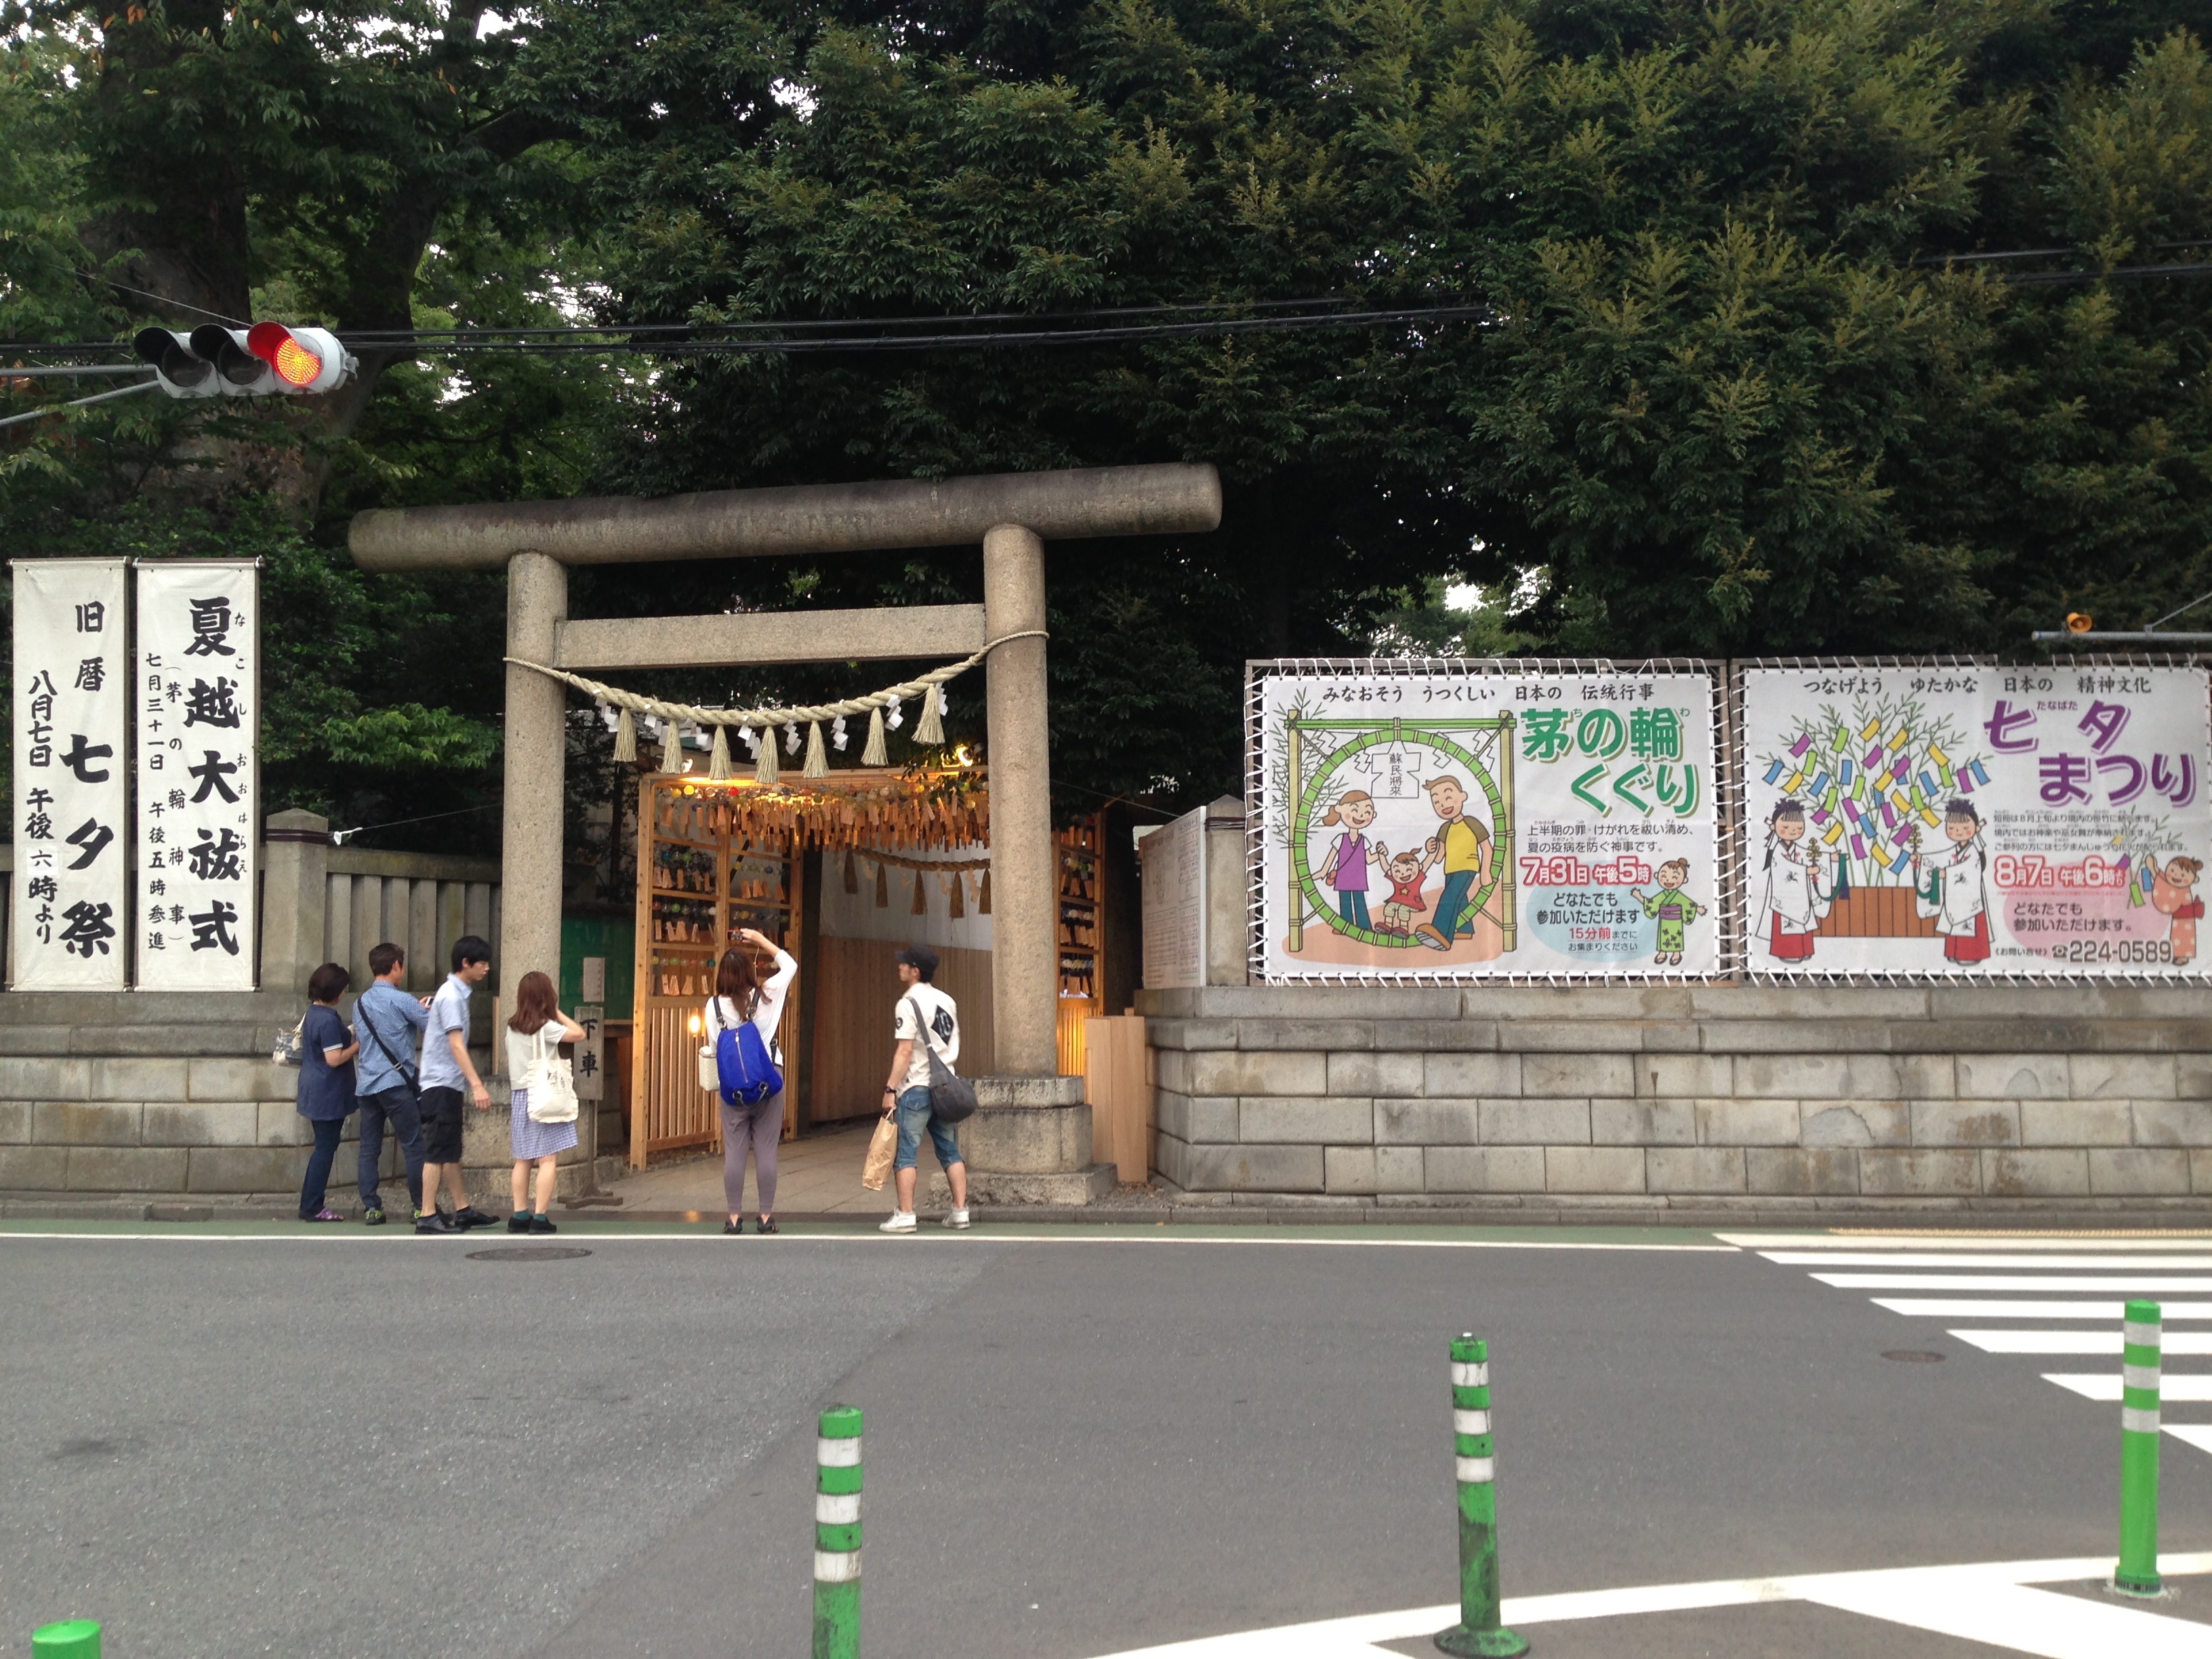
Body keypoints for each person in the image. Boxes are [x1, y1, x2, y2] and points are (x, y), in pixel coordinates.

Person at [705, 927, 798, 1235]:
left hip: (733, 1088)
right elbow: (791, 966)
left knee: (734, 1151)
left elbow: (716, 1048)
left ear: (721, 976)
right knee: (767, 1149)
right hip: (769, 1079)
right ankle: (766, 1217)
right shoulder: (768, 994)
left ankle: (733, 1219)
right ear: (749, 972)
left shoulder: (713, 1007)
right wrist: (759, 940)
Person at [878, 943, 968, 1233]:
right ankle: (960, 1211)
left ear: (915, 971)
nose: (900, 966)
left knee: (906, 1153)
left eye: (904, 963)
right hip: (945, 1086)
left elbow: (905, 1051)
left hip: (916, 1086)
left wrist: (890, 1088)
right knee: (950, 1151)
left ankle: (905, 1214)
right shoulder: (948, 1001)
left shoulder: (908, 1002)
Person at [415, 935, 501, 1234]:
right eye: (482, 963)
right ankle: (427, 1214)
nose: (487, 968)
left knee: (449, 1149)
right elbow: (456, 1045)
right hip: (441, 1083)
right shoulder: (451, 997)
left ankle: (462, 1209)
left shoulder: (453, 993)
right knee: (438, 1150)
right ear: (466, 964)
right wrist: (477, 1084)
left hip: (444, 1082)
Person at [352, 942, 430, 1225]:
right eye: (402, 965)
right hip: (396, 1083)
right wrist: (420, 1009)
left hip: (367, 1085)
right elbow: (433, 1025)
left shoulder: (359, 1003)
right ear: (396, 966)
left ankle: (372, 1208)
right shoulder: (402, 999)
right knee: (413, 1145)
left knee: (369, 1148)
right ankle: (420, 1206)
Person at [504, 970, 587, 1235]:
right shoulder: (546, 1027)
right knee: (548, 1159)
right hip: (544, 1094)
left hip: (520, 1095)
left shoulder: (511, 1027)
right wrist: (557, 1012)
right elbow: (579, 1034)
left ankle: (519, 1214)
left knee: (522, 1158)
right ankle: (540, 1217)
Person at [295, 962, 359, 1223]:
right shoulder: (329, 1020)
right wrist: (358, 1045)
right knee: (325, 1148)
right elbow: (334, 1059)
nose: (344, 993)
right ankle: (312, 1205)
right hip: (328, 1091)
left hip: (313, 1086)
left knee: (322, 1147)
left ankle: (310, 1203)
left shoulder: (313, 1013)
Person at [1413, 775, 1492, 951]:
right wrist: (1430, 848)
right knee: (1459, 900)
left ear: (1463, 796)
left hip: (1468, 868)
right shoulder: (1445, 828)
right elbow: (1440, 856)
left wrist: (1485, 874)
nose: (1443, 805)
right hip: (1449, 870)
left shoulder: (1472, 823)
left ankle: (1442, 934)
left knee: (1448, 898)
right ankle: (1465, 929)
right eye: (1437, 802)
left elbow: (1487, 848)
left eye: (1448, 798)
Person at [1912, 800, 1992, 964]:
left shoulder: (1974, 852)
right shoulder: (1956, 850)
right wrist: (1922, 859)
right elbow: (1942, 856)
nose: (1958, 831)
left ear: (1976, 828)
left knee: (1967, 924)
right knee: (1953, 922)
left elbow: (1969, 869)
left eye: (1964, 828)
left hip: (1970, 900)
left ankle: (1971, 956)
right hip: (1955, 897)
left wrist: (1946, 873)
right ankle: (1953, 953)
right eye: (1952, 828)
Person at [1755, 798, 1832, 960]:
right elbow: (1783, 868)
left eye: (1798, 828)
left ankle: (1804, 951)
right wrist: (1806, 871)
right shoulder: (1777, 850)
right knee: (1788, 922)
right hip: (1784, 897)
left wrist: (1831, 858)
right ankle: (1787, 953)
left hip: (1800, 896)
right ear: (1774, 826)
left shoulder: (1796, 848)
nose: (1793, 831)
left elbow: (1809, 855)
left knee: (1803, 920)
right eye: (1786, 827)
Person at [1315, 790, 1382, 931]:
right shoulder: (1340, 839)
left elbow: (1369, 859)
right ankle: (1345, 926)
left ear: (1373, 815)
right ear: (1340, 810)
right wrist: (1320, 873)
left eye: (1367, 812)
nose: (1361, 816)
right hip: (1343, 878)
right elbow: (1329, 861)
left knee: (1360, 902)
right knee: (1345, 903)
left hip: (1358, 878)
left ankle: (1364, 926)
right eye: (1355, 810)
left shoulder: (1364, 840)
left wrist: (1381, 854)